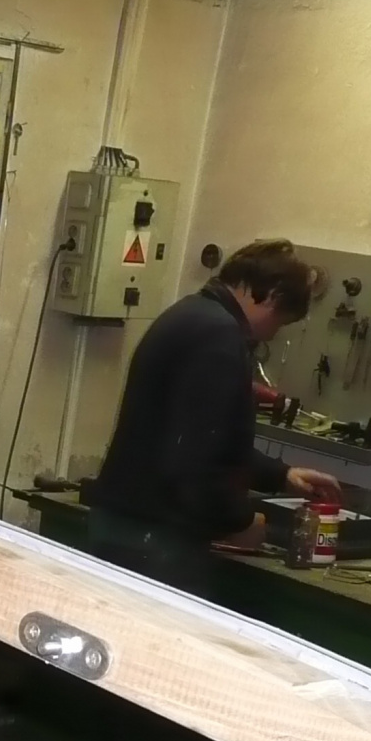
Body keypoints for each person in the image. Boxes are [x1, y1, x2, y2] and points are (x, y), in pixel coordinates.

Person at [82, 238, 341, 594]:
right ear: (272, 295)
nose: (272, 333)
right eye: (281, 322)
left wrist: (280, 475)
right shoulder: (220, 337)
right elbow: (192, 464)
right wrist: (240, 521)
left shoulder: (190, 314)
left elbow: (203, 437)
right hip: (155, 541)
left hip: (129, 525)